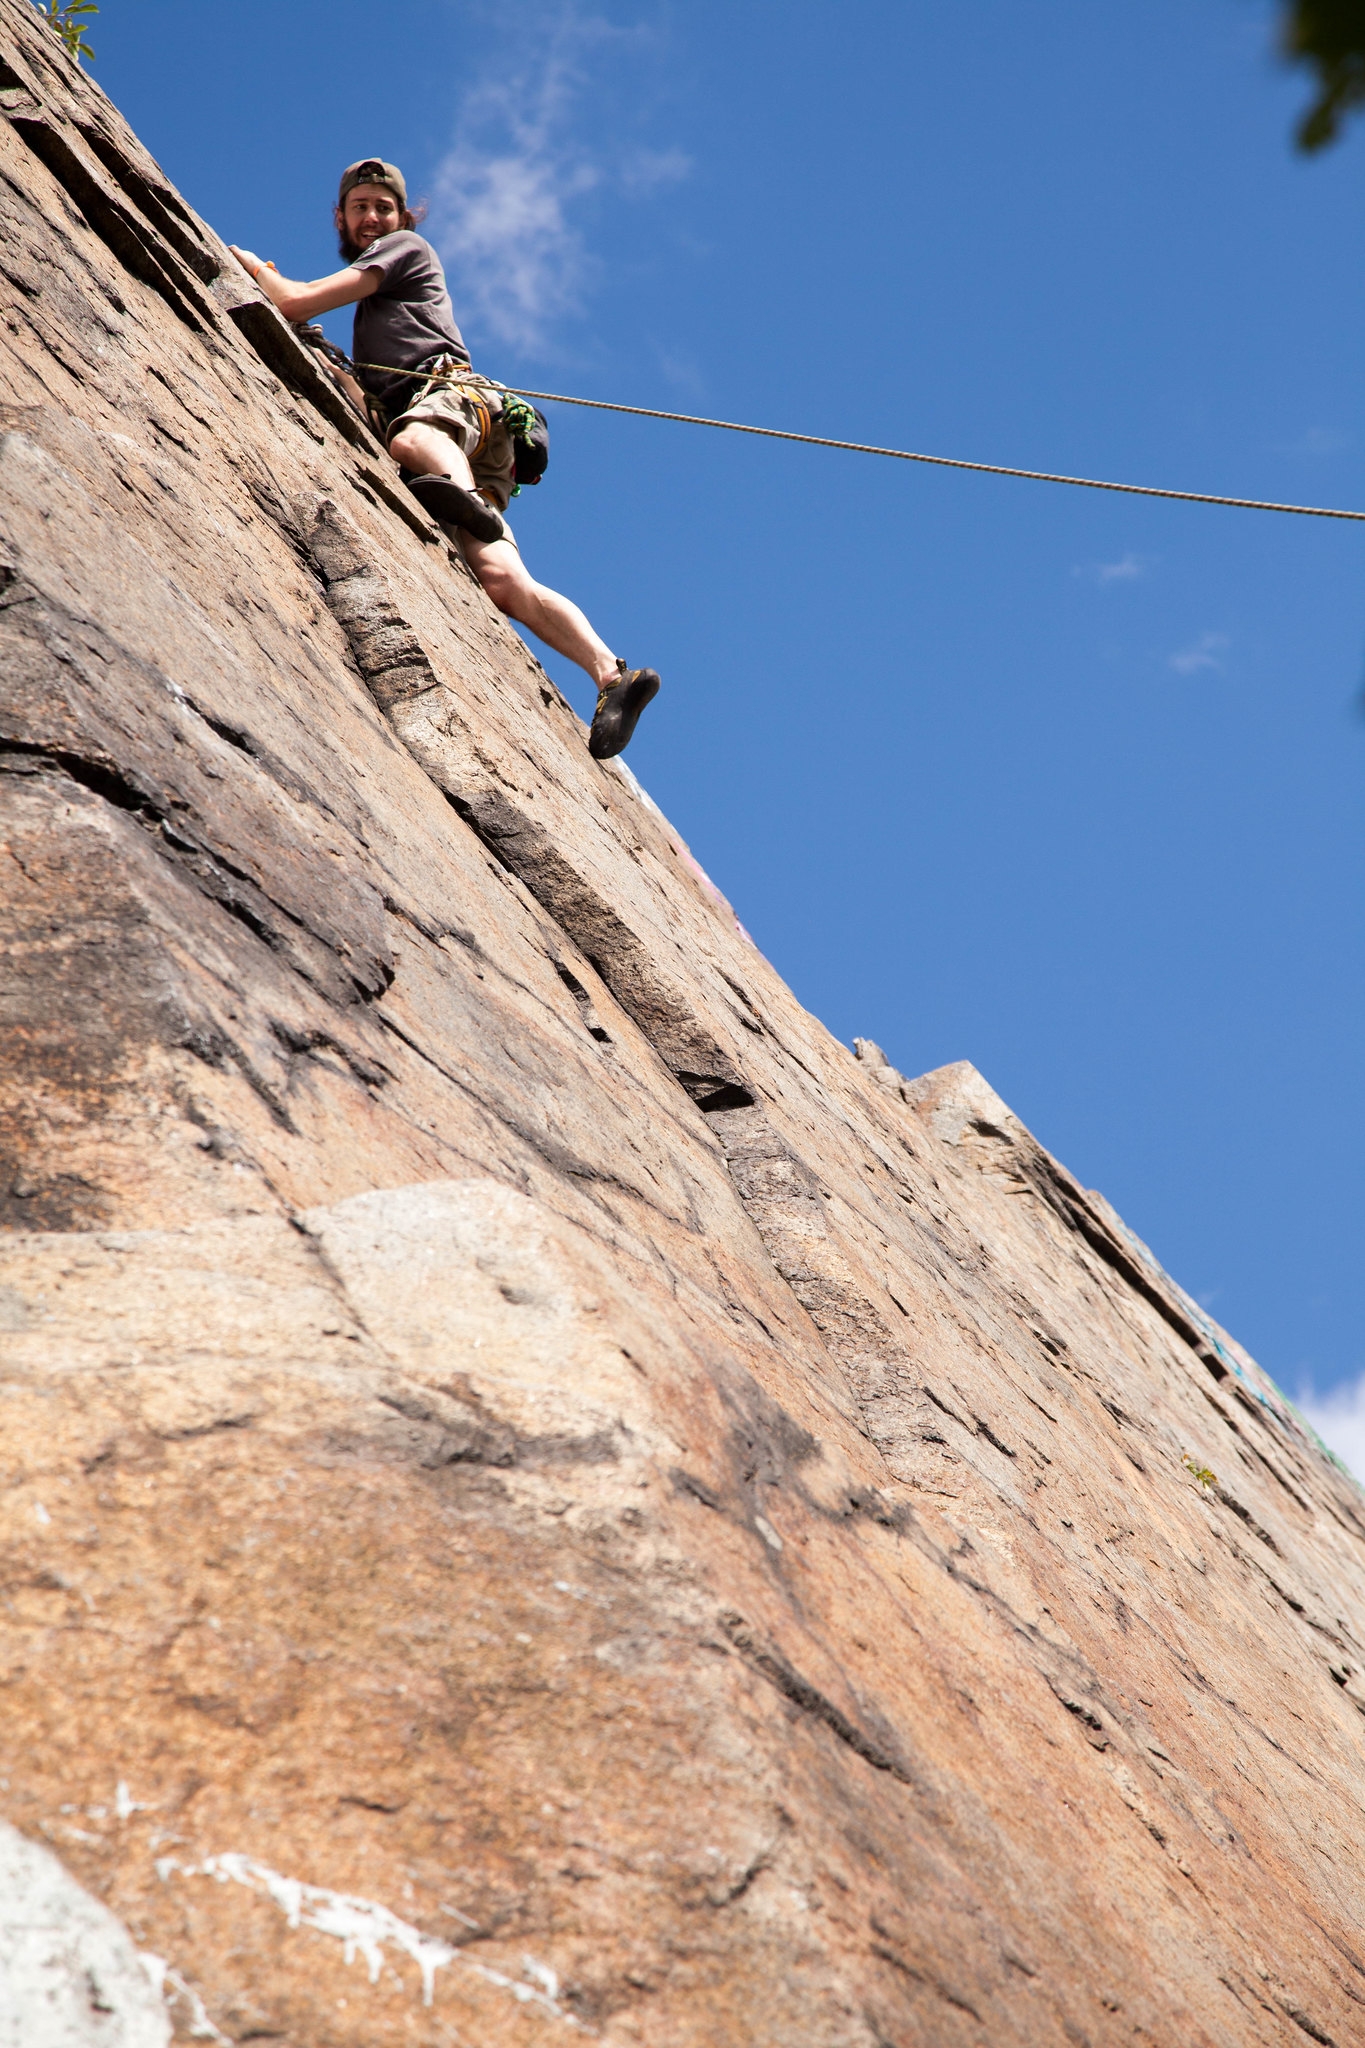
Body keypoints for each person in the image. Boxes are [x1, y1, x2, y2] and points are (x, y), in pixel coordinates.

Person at [228, 158, 659, 761]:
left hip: (452, 403)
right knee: (505, 581)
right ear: (342, 218)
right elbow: (355, 382)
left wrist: (248, 267)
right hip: (475, 435)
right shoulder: (379, 316)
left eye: (383, 207)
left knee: (409, 445)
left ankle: (463, 501)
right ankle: (612, 675)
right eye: (361, 208)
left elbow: (297, 302)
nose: (373, 217)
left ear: (403, 218)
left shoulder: (404, 249)